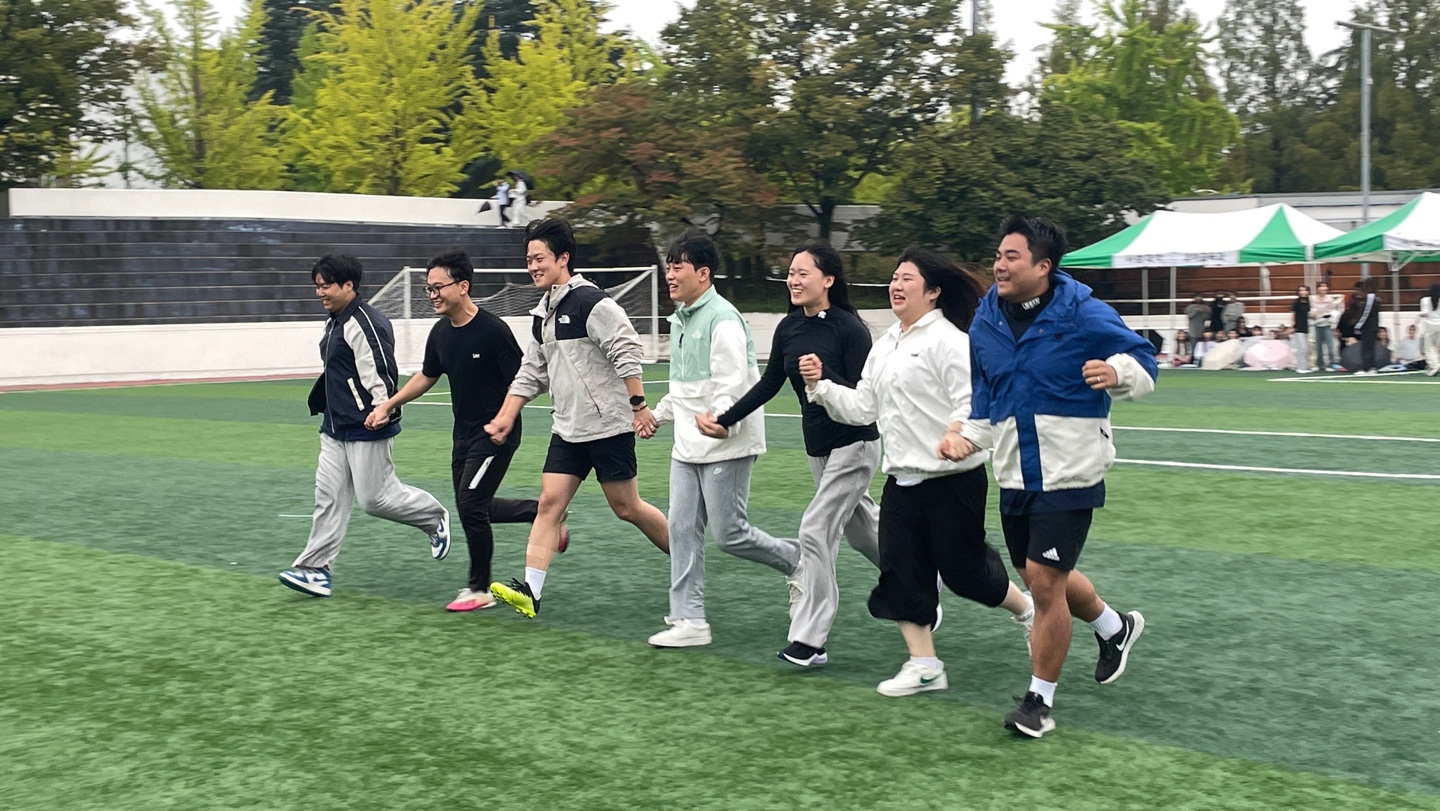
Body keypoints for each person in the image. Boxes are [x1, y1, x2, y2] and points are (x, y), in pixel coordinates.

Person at [952, 215, 1154, 739]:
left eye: (1011, 256)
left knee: (1043, 584)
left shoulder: (1082, 311)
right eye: (998, 255)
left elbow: (1144, 361)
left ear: (1043, 266)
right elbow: (985, 392)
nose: (999, 265)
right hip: (1014, 471)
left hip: (1071, 471)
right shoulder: (985, 320)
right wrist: (968, 436)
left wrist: (1117, 373)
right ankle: (1114, 626)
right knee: (1045, 578)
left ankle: (1038, 703)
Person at [806, 247, 1035, 699]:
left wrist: (960, 437)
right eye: (894, 277)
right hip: (902, 481)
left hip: (954, 482)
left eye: (906, 278)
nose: (896, 285)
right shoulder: (886, 343)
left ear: (932, 292)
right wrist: (821, 386)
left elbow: (974, 404)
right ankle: (925, 665)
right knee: (900, 572)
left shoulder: (950, 342)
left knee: (966, 574)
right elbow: (863, 407)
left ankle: (1027, 609)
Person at [699, 240, 883, 666]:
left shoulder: (850, 330)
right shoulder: (789, 327)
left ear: (828, 279)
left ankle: (810, 640)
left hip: (855, 444)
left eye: (803, 273)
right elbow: (769, 384)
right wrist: (725, 419)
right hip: (818, 447)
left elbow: (865, 398)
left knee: (815, 531)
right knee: (861, 531)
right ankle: (917, 577)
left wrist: (823, 374)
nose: (793, 280)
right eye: (791, 273)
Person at [485, 218, 670, 617]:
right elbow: (532, 372)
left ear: (563, 258)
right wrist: (506, 415)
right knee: (549, 503)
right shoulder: (542, 314)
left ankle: (688, 557)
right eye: (528, 260)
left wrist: (639, 406)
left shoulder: (592, 302)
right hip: (568, 429)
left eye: (539, 258)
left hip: (607, 427)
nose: (532, 266)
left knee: (627, 508)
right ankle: (530, 592)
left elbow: (626, 349)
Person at [365, 250, 564, 612]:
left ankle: (479, 588)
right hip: (463, 436)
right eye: (429, 289)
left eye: (438, 287)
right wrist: (388, 405)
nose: (433, 295)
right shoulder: (441, 333)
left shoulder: (493, 331)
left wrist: (504, 419)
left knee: (471, 505)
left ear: (463, 286)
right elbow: (427, 375)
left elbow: (523, 380)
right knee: (474, 506)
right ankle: (542, 513)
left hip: (496, 434)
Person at [642, 231, 802, 647]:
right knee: (680, 529)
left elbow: (733, 383)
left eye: (678, 266)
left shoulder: (724, 319)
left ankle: (798, 559)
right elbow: (684, 387)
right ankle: (689, 620)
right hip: (687, 446)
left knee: (730, 534)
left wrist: (723, 420)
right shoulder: (682, 319)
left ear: (703, 273)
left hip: (727, 443)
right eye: (668, 266)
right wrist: (658, 415)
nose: (670, 274)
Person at [279, 254, 451, 598]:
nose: (319, 292)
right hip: (335, 427)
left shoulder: (365, 323)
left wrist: (383, 409)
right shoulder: (335, 320)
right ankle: (316, 570)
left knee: (375, 500)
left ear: (349, 285)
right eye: (317, 286)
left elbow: (381, 372)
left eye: (326, 286)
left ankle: (434, 517)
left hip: (367, 424)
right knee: (327, 497)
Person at [1353, 277, 1382, 375]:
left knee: (1366, 348)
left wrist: (1358, 325)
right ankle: (1371, 367)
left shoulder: (1370, 297)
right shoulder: (1376, 297)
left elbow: (1366, 313)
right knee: (1370, 347)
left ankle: (1367, 367)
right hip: (1372, 326)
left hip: (1368, 327)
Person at [1312, 282, 1342, 370]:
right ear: (1318, 289)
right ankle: (1320, 364)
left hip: (1327, 324)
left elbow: (1333, 312)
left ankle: (1331, 364)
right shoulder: (1312, 299)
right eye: (1321, 287)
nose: (1323, 289)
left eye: (1325, 288)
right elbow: (1312, 311)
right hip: (1317, 324)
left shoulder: (1330, 299)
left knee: (1330, 345)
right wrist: (1315, 314)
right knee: (1318, 346)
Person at [1290, 286, 1312, 373]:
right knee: (1302, 348)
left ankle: (1304, 366)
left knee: (1306, 348)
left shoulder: (1308, 303)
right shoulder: (1297, 303)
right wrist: (1292, 325)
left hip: (1306, 327)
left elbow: (1310, 314)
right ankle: (1300, 367)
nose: (1303, 292)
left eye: (1304, 290)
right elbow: (1292, 314)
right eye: (1301, 290)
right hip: (1298, 327)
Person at [1420, 283, 1440, 375]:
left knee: (1429, 347)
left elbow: (1424, 313)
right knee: (1437, 346)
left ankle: (1434, 365)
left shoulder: (1425, 300)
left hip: (1430, 326)